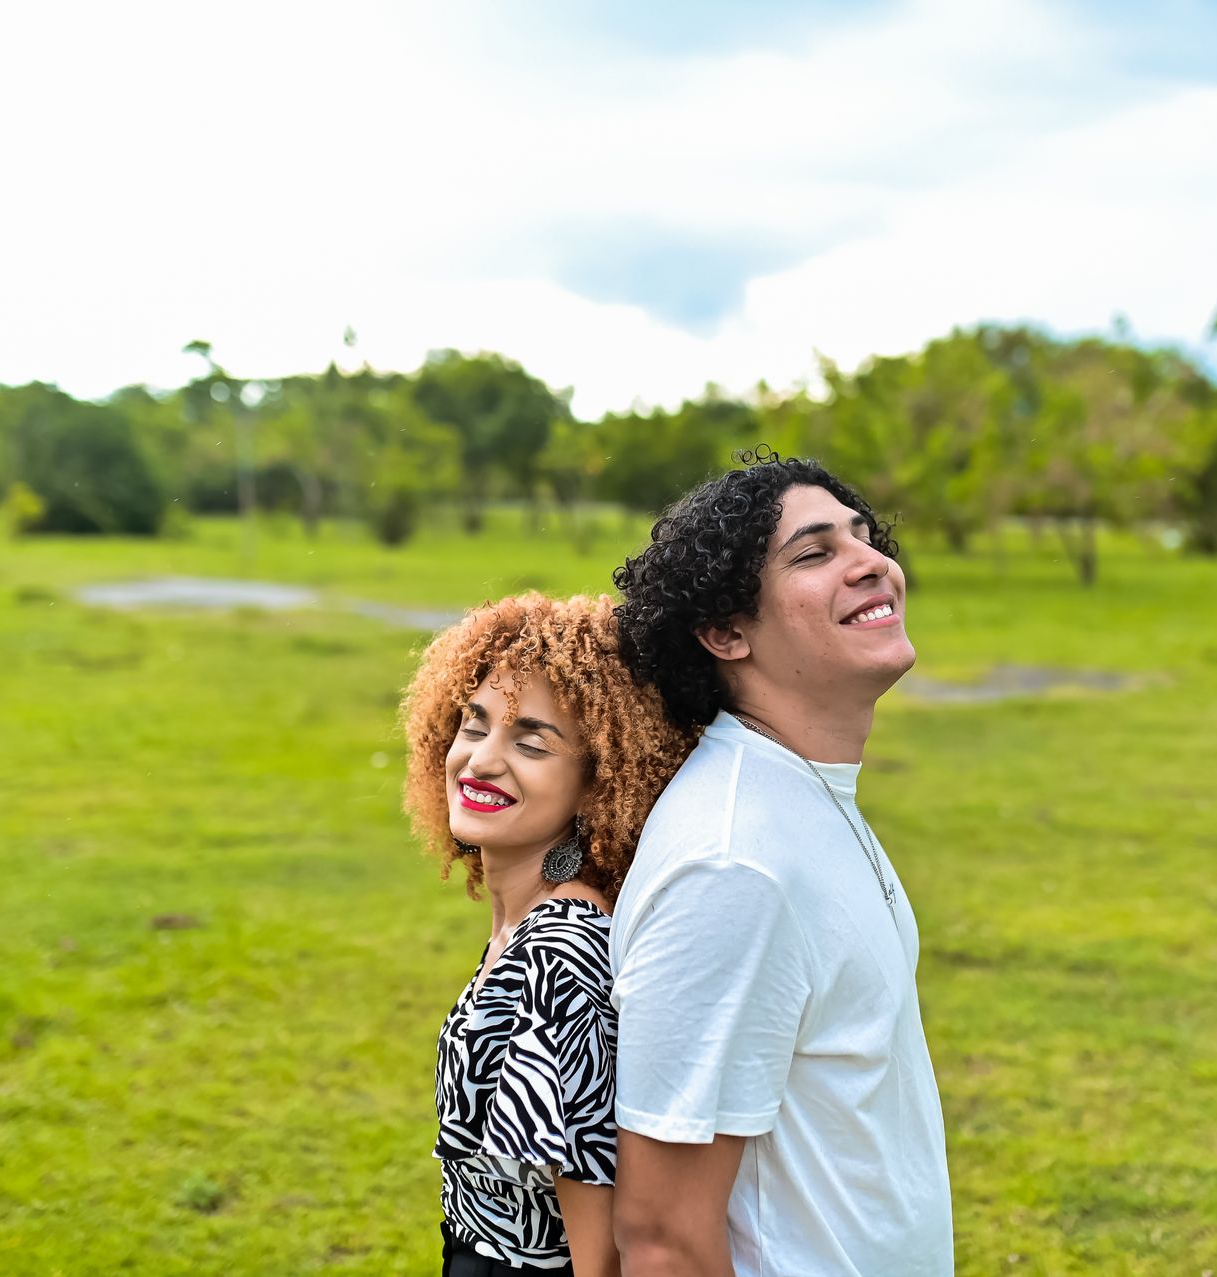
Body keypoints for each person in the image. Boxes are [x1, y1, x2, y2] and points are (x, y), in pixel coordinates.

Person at [606, 453, 954, 1276]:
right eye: (815, 552)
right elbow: (662, 1236)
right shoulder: (735, 864)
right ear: (727, 631)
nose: (872, 563)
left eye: (865, 537)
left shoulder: (801, 794)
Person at [401, 592, 695, 1276]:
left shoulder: (565, 949)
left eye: (531, 741)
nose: (480, 760)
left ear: (598, 785)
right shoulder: (525, 918)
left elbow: (596, 1245)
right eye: (473, 726)